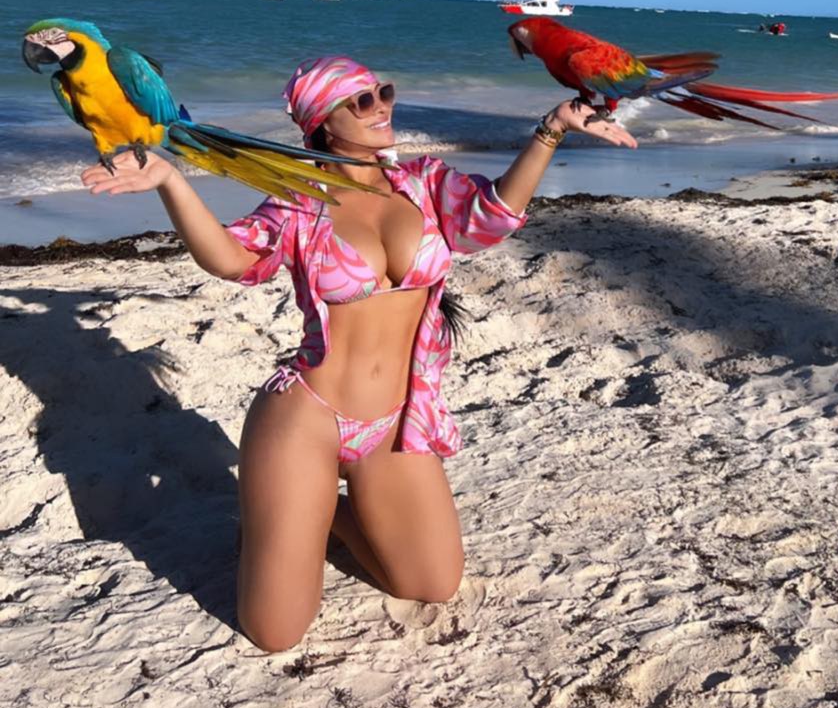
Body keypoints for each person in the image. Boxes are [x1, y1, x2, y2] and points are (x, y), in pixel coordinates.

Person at [80, 56, 636, 652]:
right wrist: (171, 181)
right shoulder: (297, 201)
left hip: (396, 422)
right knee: (275, 633)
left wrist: (550, 129)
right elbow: (234, 259)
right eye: (362, 101)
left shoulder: (422, 182)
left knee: (432, 584)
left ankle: (329, 517)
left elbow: (492, 216)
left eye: (383, 93)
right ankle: (286, 511)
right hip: (306, 416)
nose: (382, 107)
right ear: (323, 121)